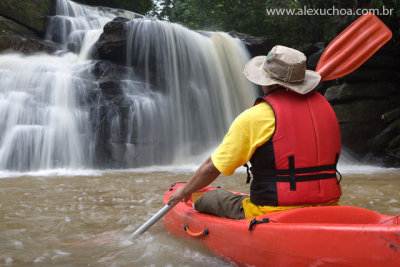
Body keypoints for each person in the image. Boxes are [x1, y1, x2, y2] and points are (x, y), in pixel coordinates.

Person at [167, 45, 342, 219]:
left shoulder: (256, 117)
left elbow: (211, 168)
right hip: (327, 205)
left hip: (272, 210)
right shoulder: (326, 109)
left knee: (209, 198)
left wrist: (185, 190)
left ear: (265, 81)